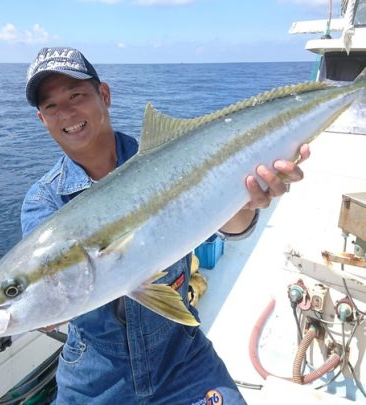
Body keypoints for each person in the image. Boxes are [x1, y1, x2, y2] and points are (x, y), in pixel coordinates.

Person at [21, 47, 310, 405]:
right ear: (42, 120)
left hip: (181, 357)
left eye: (76, 95)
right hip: (96, 375)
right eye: (51, 107)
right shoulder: (44, 201)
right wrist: (38, 308)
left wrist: (248, 201)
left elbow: (230, 226)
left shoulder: (171, 156)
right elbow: (54, 291)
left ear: (105, 96)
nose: (66, 113)